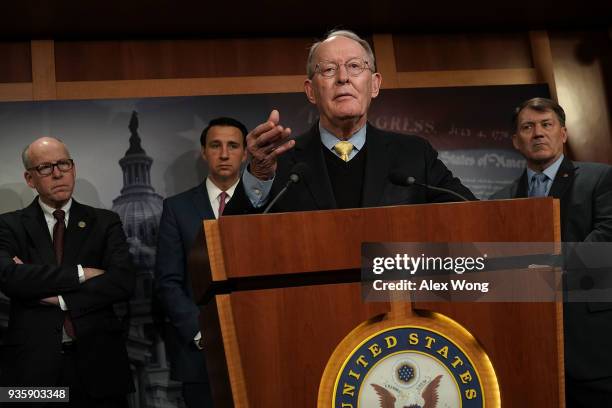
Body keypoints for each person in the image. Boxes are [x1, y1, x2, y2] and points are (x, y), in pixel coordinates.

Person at [225, 29, 474, 215]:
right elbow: (234, 239)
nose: (343, 78)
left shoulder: (414, 155)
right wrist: (258, 175)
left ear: (375, 84)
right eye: (329, 69)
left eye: (355, 66)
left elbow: (470, 215)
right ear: (311, 91)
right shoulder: (280, 163)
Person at [491, 97, 612, 406]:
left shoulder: (600, 178)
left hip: (592, 344)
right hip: (529, 343)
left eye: (547, 125)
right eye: (528, 127)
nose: (538, 133)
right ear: (516, 141)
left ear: (564, 133)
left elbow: (606, 240)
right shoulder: (500, 201)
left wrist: (544, 263)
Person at [0, 137, 135, 407]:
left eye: (64, 163)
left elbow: (122, 281)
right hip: (33, 370)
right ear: (30, 179)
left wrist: (60, 298)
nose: (58, 173)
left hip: (100, 366)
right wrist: (82, 274)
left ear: (73, 168)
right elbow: (9, 278)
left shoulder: (105, 221)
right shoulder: (8, 225)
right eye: (46, 168)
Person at [155, 117, 248, 407]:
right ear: (203, 152)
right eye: (215, 145)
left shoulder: (262, 204)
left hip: (257, 344)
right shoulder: (176, 207)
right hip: (199, 355)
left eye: (233, 146)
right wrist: (202, 333)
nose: (224, 154)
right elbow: (167, 281)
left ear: (245, 153)